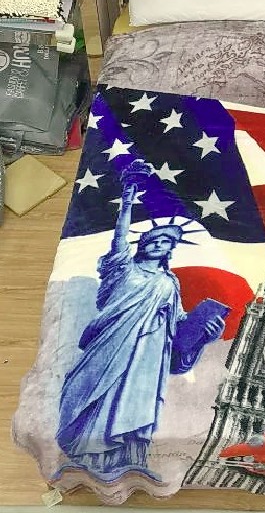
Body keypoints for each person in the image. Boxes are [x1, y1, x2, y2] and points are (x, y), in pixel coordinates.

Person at [55, 167, 226, 482]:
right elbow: (119, 239)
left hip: (149, 353)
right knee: (98, 392)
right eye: (155, 239)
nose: (160, 244)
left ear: (170, 250)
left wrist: (203, 335)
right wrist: (128, 200)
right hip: (112, 342)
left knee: (138, 401)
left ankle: (130, 461)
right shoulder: (123, 268)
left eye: (166, 242)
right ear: (143, 244)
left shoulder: (169, 283)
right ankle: (85, 457)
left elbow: (178, 325)